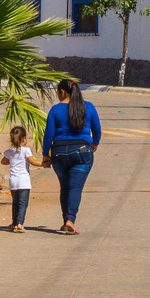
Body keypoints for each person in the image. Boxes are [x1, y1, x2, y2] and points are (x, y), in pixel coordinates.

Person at [41, 78, 101, 235]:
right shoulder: (88, 107)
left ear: (62, 92)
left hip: (58, 153)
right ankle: (70, 220)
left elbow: (49, 135)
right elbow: (97, 130)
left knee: (65, 187)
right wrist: (94, 143)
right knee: (75, 187)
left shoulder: (55, 110)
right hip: (82, 152)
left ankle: (65, 220)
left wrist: (45, 154)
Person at [0, 125, 46, 232]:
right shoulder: (26, 151)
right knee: (23, 203)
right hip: (24, 182)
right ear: (24, 139)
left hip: (13, 181)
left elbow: (3, 162)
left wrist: (12, 161)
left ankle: (14, 223)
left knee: (15, 202)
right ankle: (20, 223)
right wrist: (43, 164)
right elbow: (32, 161)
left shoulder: (9, 152)